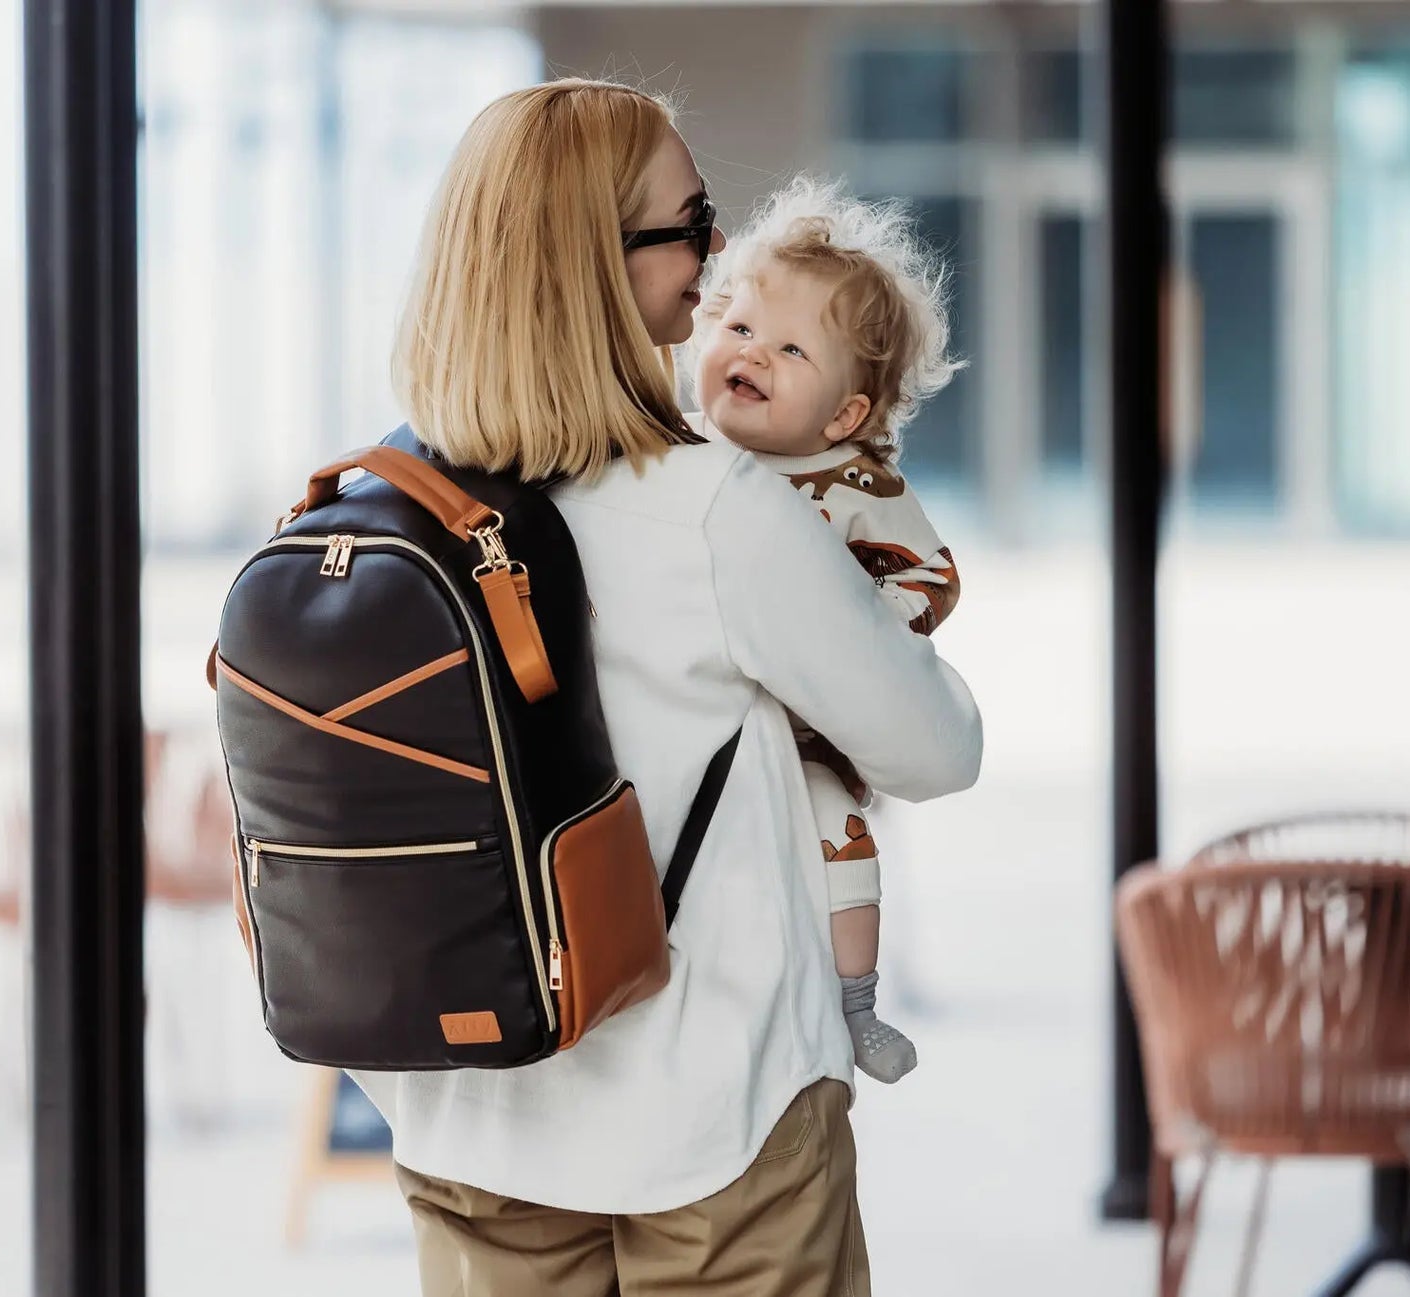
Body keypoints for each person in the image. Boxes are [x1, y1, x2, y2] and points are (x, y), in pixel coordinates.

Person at [356, 78, 983, 1297]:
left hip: (468, 1126)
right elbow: (933, 747)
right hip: (714, 1125)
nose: (714, 253)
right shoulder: (719, 508)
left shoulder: (390, 501)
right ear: (597, 257)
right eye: (688, 224)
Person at [689, 177, 963, 1085]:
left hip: (805, 731)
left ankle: (857, 1004)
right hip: (701, 720)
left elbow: (931, 576)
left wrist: (856, 626)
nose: (753, 353)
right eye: (738, 329)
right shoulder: (682, 450)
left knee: (837, 831)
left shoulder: (854, 484)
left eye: (791, 348)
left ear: (845, 414)